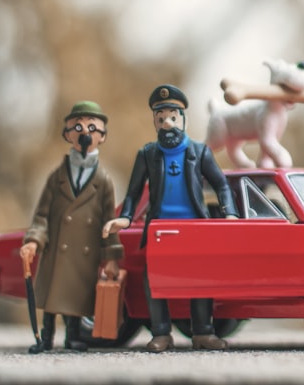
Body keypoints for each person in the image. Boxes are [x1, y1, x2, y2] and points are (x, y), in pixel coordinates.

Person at [102, 84, 238, 353]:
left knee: (200, 279)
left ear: (182, 119)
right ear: (154, 120)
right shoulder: (148, 154)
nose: (167, 124)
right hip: (160, 229)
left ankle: (202, 333)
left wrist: (230, 213)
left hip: (194, 228)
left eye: (172, 117)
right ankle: (161, 333)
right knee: (155, 280)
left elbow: (222, 185)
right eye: (161, 118)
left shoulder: (200, 153)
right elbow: (133, 192)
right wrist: (127, 218)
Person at [19, 101, 123, 353]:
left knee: (76, 296)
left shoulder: (104, 181)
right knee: (53, 297)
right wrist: (33, 240)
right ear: (67, 134)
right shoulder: (57, 176)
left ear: (102, 136)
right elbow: (42, 214)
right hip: (57, 248)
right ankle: (46, 337)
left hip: (83, 252)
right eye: (77, 127)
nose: (84, 133)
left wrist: (111, 257)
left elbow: (109, 223)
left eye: (91, 127)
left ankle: (73, 336)